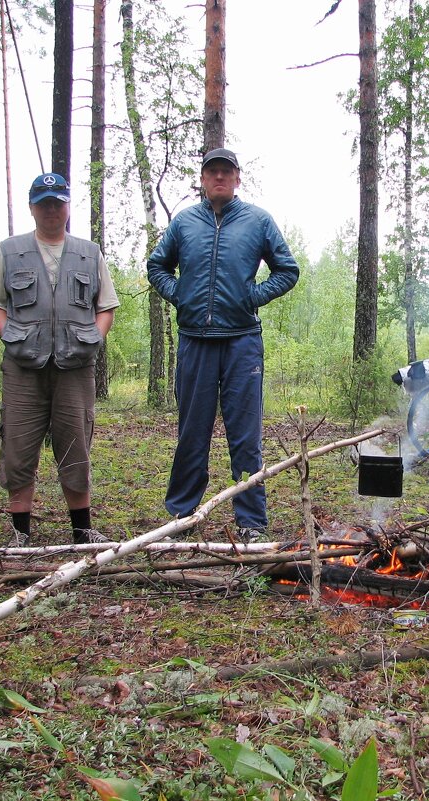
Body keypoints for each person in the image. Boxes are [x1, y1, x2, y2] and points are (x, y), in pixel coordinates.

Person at [147, 148, 300, 541]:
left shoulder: (258, 220)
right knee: (191, 433)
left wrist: (253, 296)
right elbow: (156, 266)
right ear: (202, 178)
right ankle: (181, 516)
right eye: (212, 171)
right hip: (195, 340)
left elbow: (287, 270)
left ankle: (250, 522)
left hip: (242, 342)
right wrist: (179, 294)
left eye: (226, 172)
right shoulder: (184, 223)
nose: (219, 177)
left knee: (245, 437)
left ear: (236, 178)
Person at [0, 173, 120, 547]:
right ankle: (20, 534)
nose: (50, 209)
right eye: (43, 202)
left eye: (57, 202)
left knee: (76, 445)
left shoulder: (88, 253)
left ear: (66, 207)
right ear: (32, 208)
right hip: (23, 369)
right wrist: (10, 335)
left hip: (75, 368)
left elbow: (106, 305)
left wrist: (94, 336)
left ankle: (81, 531)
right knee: (18, 446)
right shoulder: (10, 251)